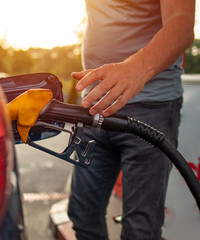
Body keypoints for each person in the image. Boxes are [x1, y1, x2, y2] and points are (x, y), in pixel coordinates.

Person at [67, 0, 195, 239]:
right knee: (82, 216)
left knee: (140, 231)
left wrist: (136, 69)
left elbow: (182, 23)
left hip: (151, 107)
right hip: (94, 107)